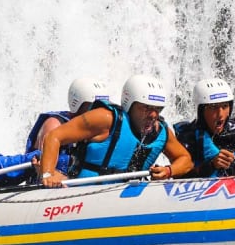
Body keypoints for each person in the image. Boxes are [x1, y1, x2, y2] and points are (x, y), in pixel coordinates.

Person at [40, 73, 192, 186]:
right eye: (146, 108)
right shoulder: (105, 118)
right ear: (130, 104)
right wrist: (48, 174)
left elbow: (185, 160)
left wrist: (168, 171)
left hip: (127, 198)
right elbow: (54, 136)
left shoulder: (161, 132)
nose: (153, 115)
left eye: (158, 109)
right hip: (83, 194)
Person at [24, 77, 110, 176]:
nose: (99, 113)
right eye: (94, 107)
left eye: (103, 107)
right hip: (48, 187)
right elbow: (42, 170)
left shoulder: (101, 128)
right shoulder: (54, 125)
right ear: (77, 104)